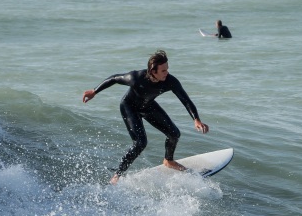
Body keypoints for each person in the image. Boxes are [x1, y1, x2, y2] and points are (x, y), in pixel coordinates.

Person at [82, 50, 209, 184]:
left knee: (174, 134)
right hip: (129, 107)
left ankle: (168, 160)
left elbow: (185, 99)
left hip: (147, 106)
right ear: (153, 71)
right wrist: (94, 91)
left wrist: (196, 119)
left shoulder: (170, 81)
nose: (167, 73)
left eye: (167, 69)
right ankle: (117, 175)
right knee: (140, 143)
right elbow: (115, 78)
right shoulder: (136, 77)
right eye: (163, 71)